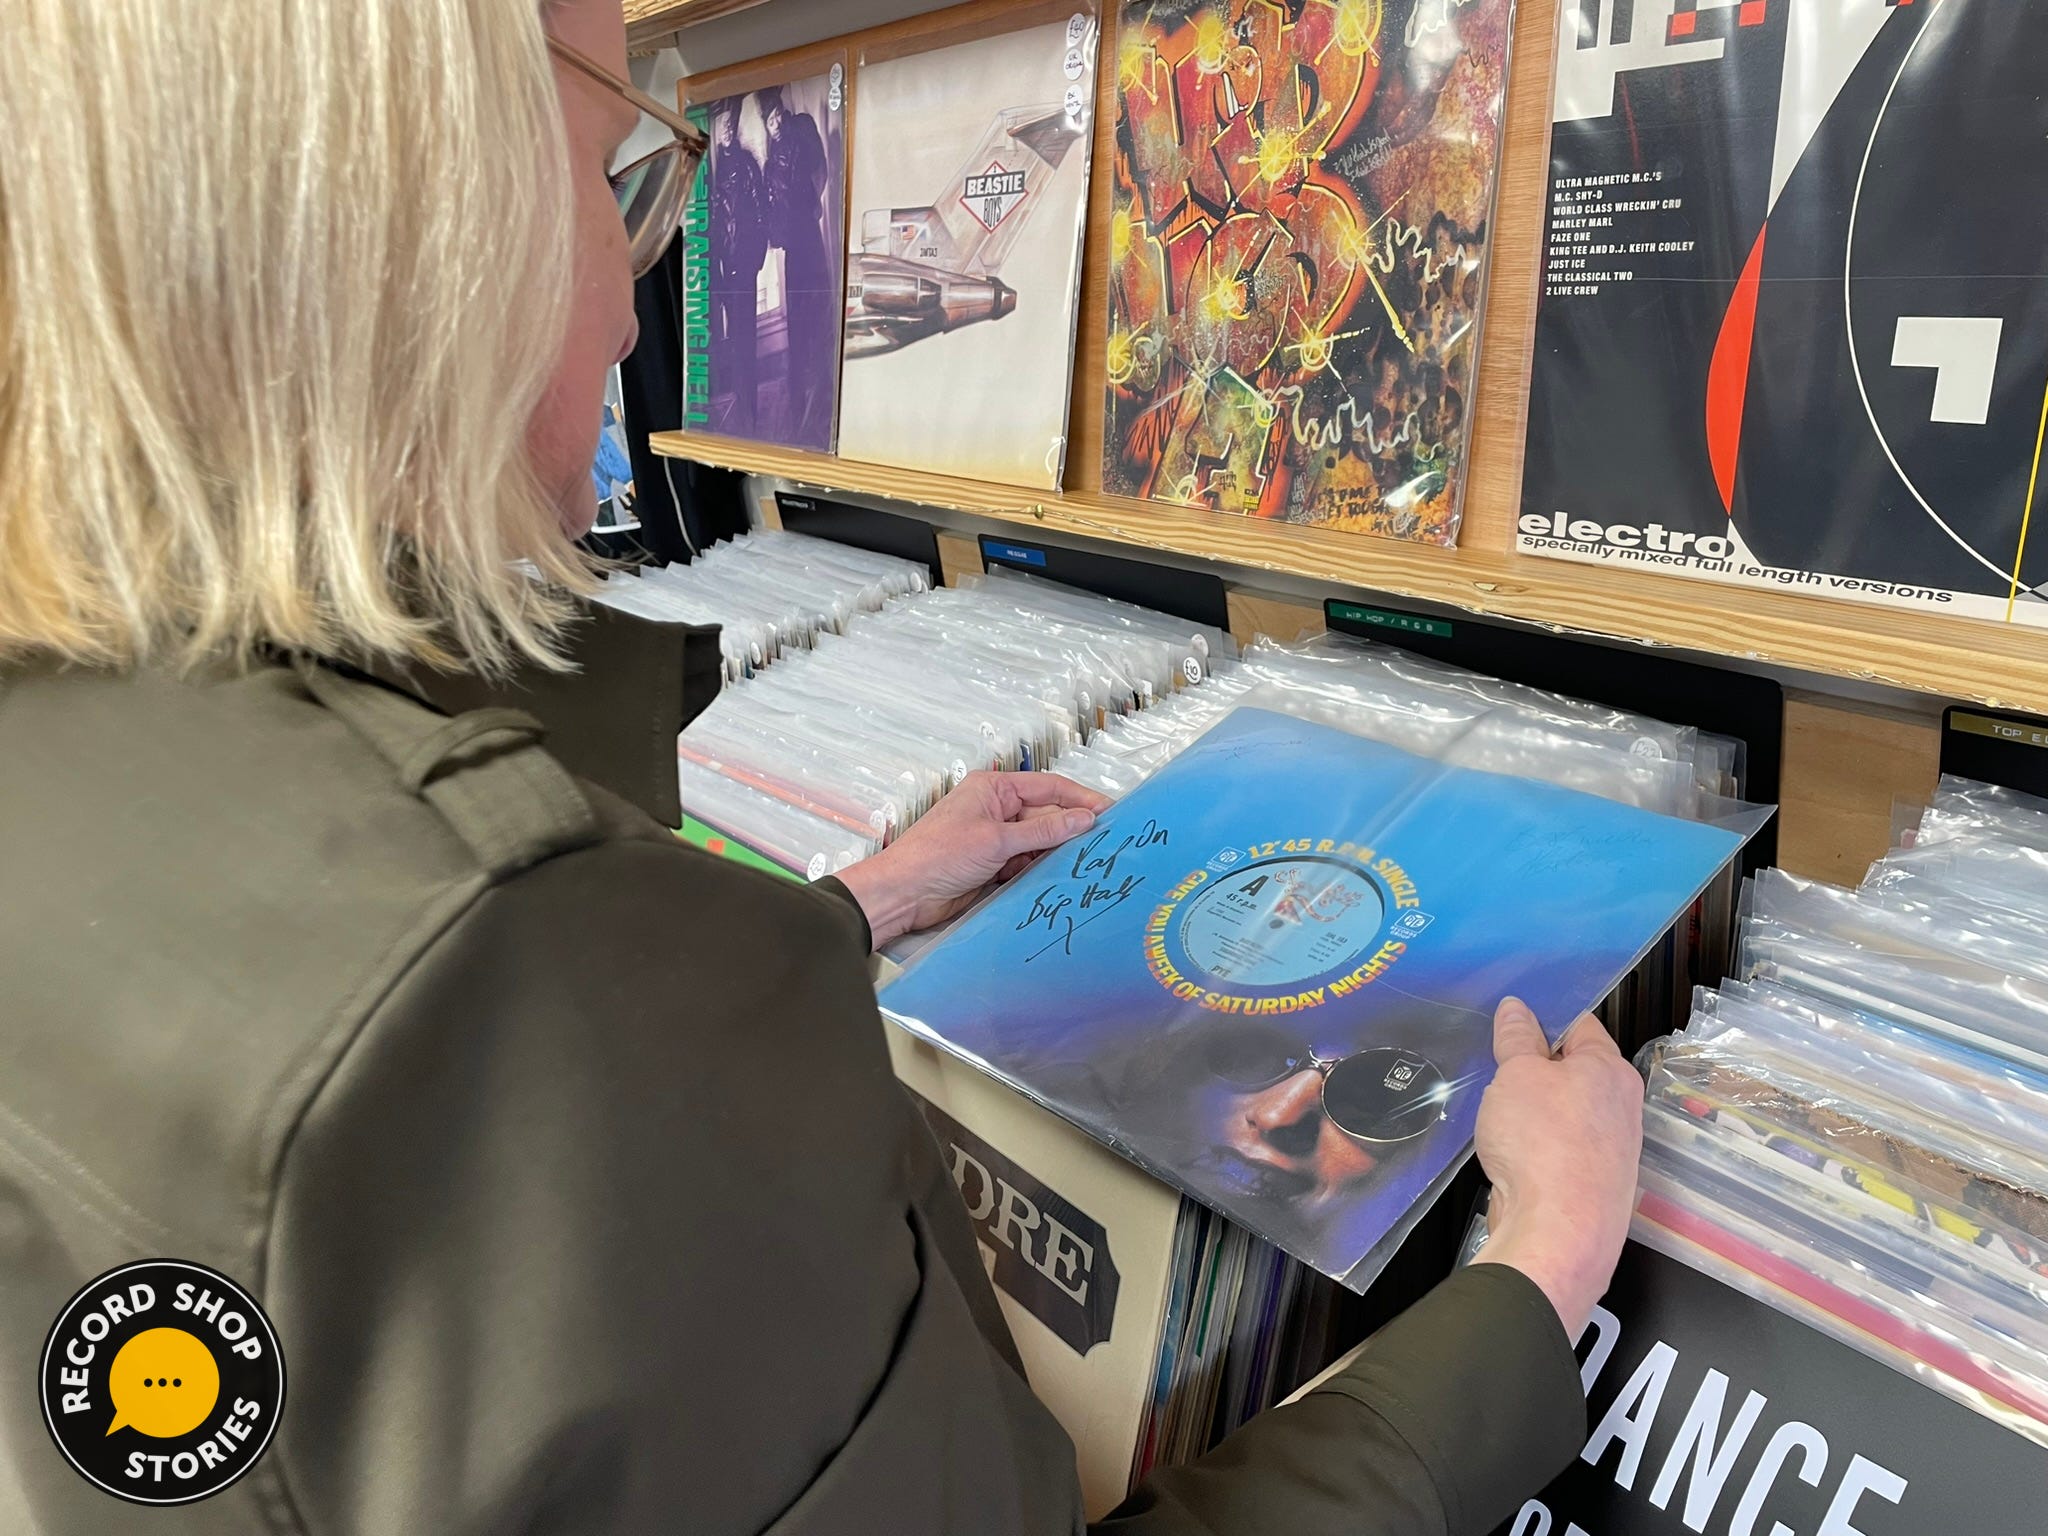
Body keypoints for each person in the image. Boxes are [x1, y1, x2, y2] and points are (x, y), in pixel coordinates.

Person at [0, 3, 1644, 1534]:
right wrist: (1531, 1283)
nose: (633, 275)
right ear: (414, 243)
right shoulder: (507, 984)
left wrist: (827, 920)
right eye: (607, 171)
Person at [758, 83, 837, 448]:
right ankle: (800, 408)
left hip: (807, 237)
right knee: (801, 325)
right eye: (766, 115)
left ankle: (819, 407)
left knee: (817, 317)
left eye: (774, 111)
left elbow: (818, 171)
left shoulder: (799, 128)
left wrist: (808, 211)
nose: (772, 119)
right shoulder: (773, 152)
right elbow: (774, 199)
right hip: (793, 243)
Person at [708, 96, 767, 434]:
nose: (727, 129)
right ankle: (737, 406)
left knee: (745, 337)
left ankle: (750, 410)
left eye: (731, 124)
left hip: (741, 264)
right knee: (727, 337)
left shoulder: (745, 164)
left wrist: (753, 257)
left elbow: (758, 211)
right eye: (723, 125)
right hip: (720, 267)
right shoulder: (712, 170)